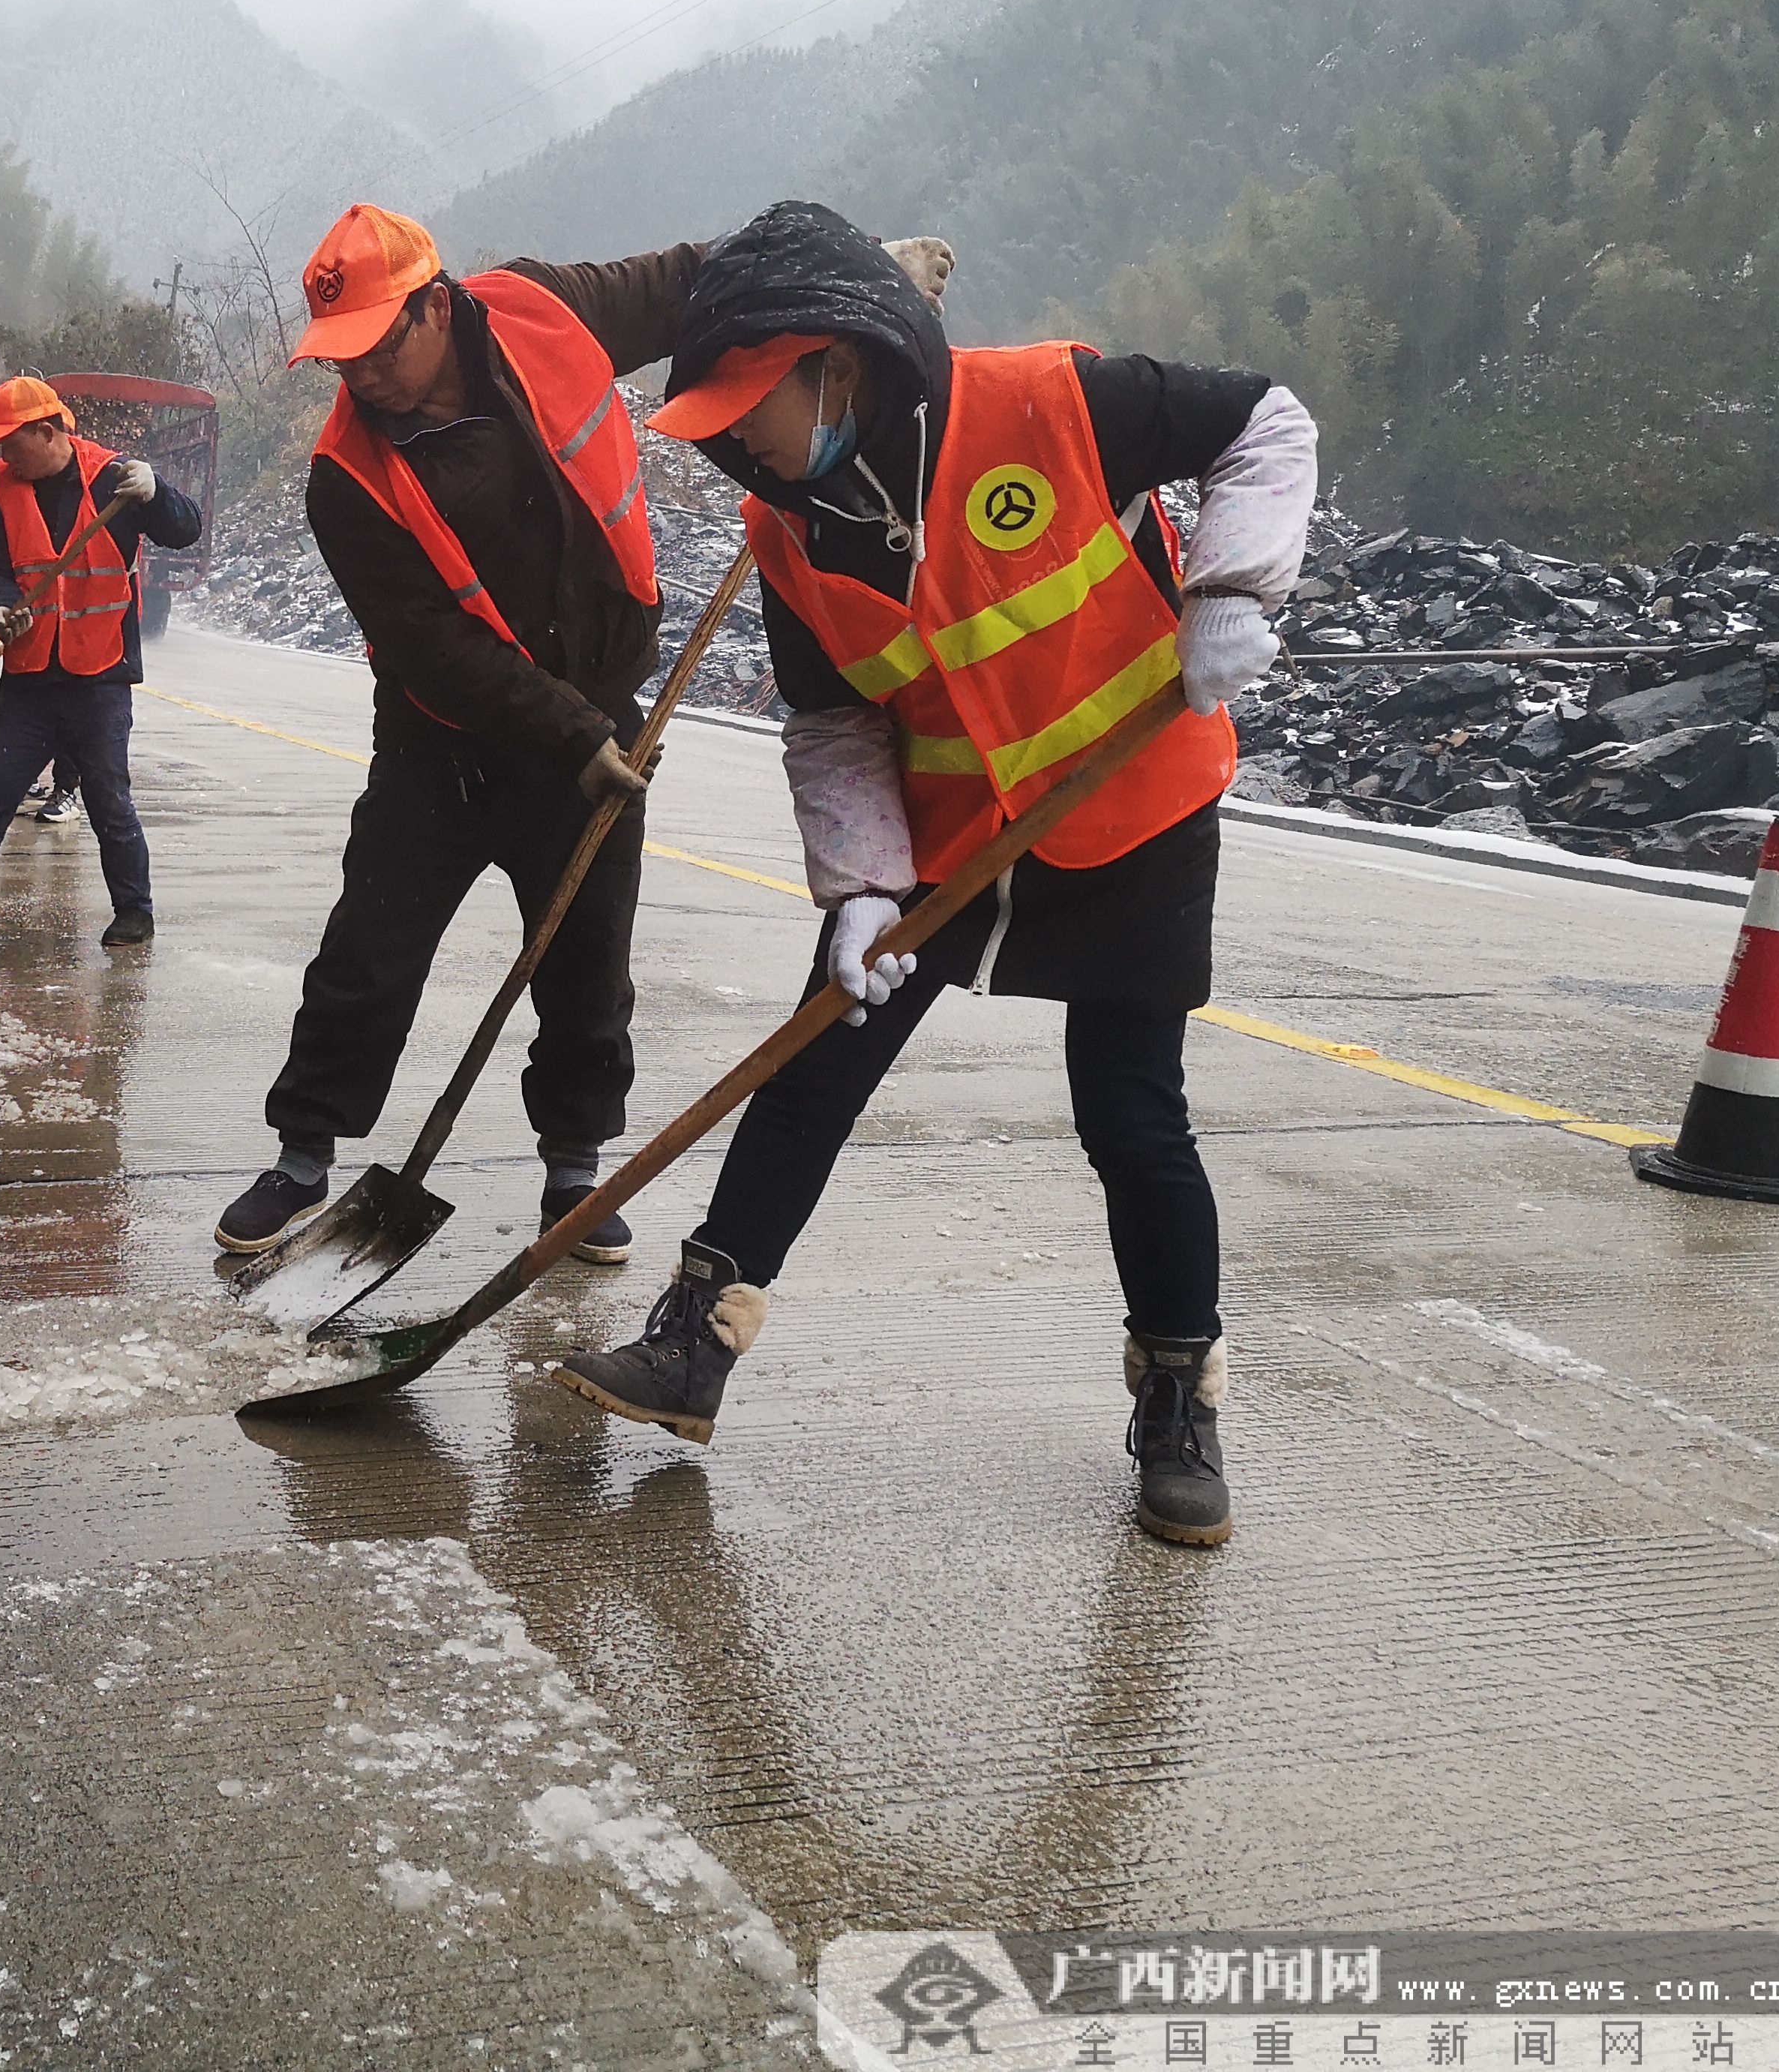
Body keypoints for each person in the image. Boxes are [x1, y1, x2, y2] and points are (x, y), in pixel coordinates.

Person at [550, 200, 1316, 1551]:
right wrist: (858, 886)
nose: (736, 443)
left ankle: (1176, 1401)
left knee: (1131, 1114)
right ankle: (694, 1343)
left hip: (1130, 811)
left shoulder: (1055, 405)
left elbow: (1266, 419)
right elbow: (832, 721)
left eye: (749, 410)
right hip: (944, 837)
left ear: (834, 367)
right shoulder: (788, 527)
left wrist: (1232, 588)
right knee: (812, 1064)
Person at [212, 203, 954, 1263]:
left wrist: (855, 281)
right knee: (368, 954)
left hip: (602, 718)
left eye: (377, 345)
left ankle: (572, 1167)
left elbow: (698, 278)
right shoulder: (345, 478)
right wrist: (569, 736)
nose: (361, 374)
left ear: (435, 306)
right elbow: (433, 649)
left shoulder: (541, 310)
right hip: (439, 745)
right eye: (342, 356)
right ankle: (303, 1155)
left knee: (587, 965)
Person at [0, 375, 202, 947]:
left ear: (47, 432)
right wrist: (0, 603)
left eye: (11, 443)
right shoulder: (2, 491)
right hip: (31, 676)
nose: (3, 455)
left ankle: (135, 913)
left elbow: (186, 529)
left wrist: (158, 492)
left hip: (99, 675)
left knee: (109, 801)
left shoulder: (113, 479)